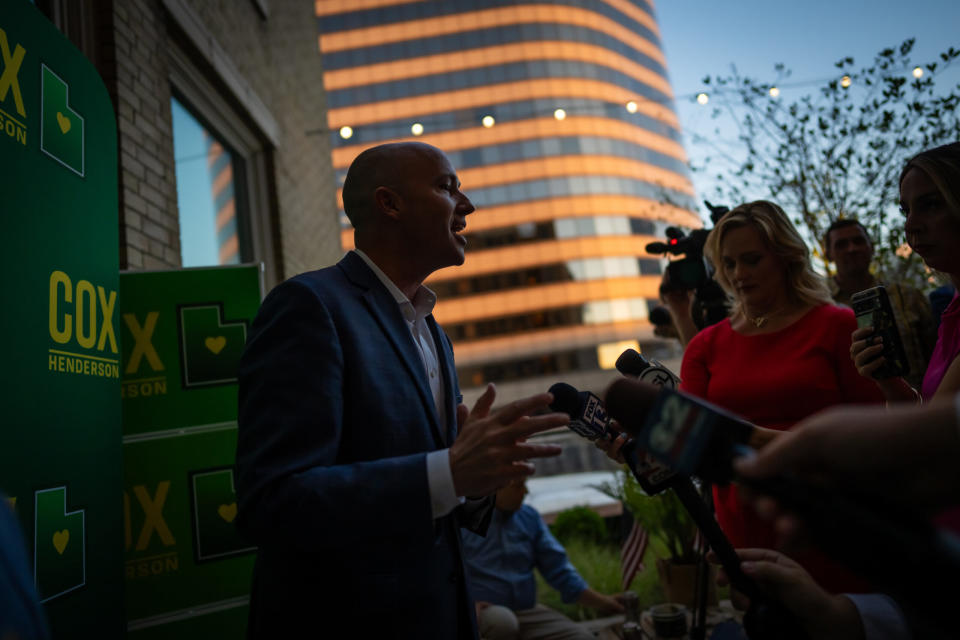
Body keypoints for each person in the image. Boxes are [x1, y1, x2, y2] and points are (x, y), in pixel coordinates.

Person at [235, 142, 570, 639]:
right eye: (446, 186)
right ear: (389, 204)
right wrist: (446, 471)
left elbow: (440, 500)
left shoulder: (434, 332)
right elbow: (273, 504)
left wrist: (475, 480)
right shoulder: (309, 307)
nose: (467, 205)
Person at [679, 200, 884, 593]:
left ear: (786, 257)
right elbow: (691, 445)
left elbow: (874, 431)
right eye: (729, 263)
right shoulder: (705, 347)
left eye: (752, 260)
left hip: (831, 514)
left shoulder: (836, 324)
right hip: (744, 519)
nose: (738, 274)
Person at [852, 142, 960, 403]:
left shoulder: (911, 297)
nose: (910, 224)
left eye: (931, 204)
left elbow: (934, 436)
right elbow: (934, 419)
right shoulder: (953, 313)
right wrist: (889, 382)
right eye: (906, 210)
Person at [460, 478, 624, 640]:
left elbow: (560, 571)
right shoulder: (464, 521)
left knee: (581, 636)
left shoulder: (529, 517)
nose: (526, 491)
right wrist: (466, 606)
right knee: (503, 622)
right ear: (496, 487)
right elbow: (442, 574)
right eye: (519, 485)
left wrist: (607, 603)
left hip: (527, 611)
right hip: (485, 613)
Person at [824, 218, 935, 389]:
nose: (852, 249)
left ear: (872, 247)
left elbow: (937, 358)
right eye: (841, 244)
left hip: (916, 407)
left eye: (858, 241)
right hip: (850, 412)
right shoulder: (820, 305)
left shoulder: (908, 297)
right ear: (828, 254)